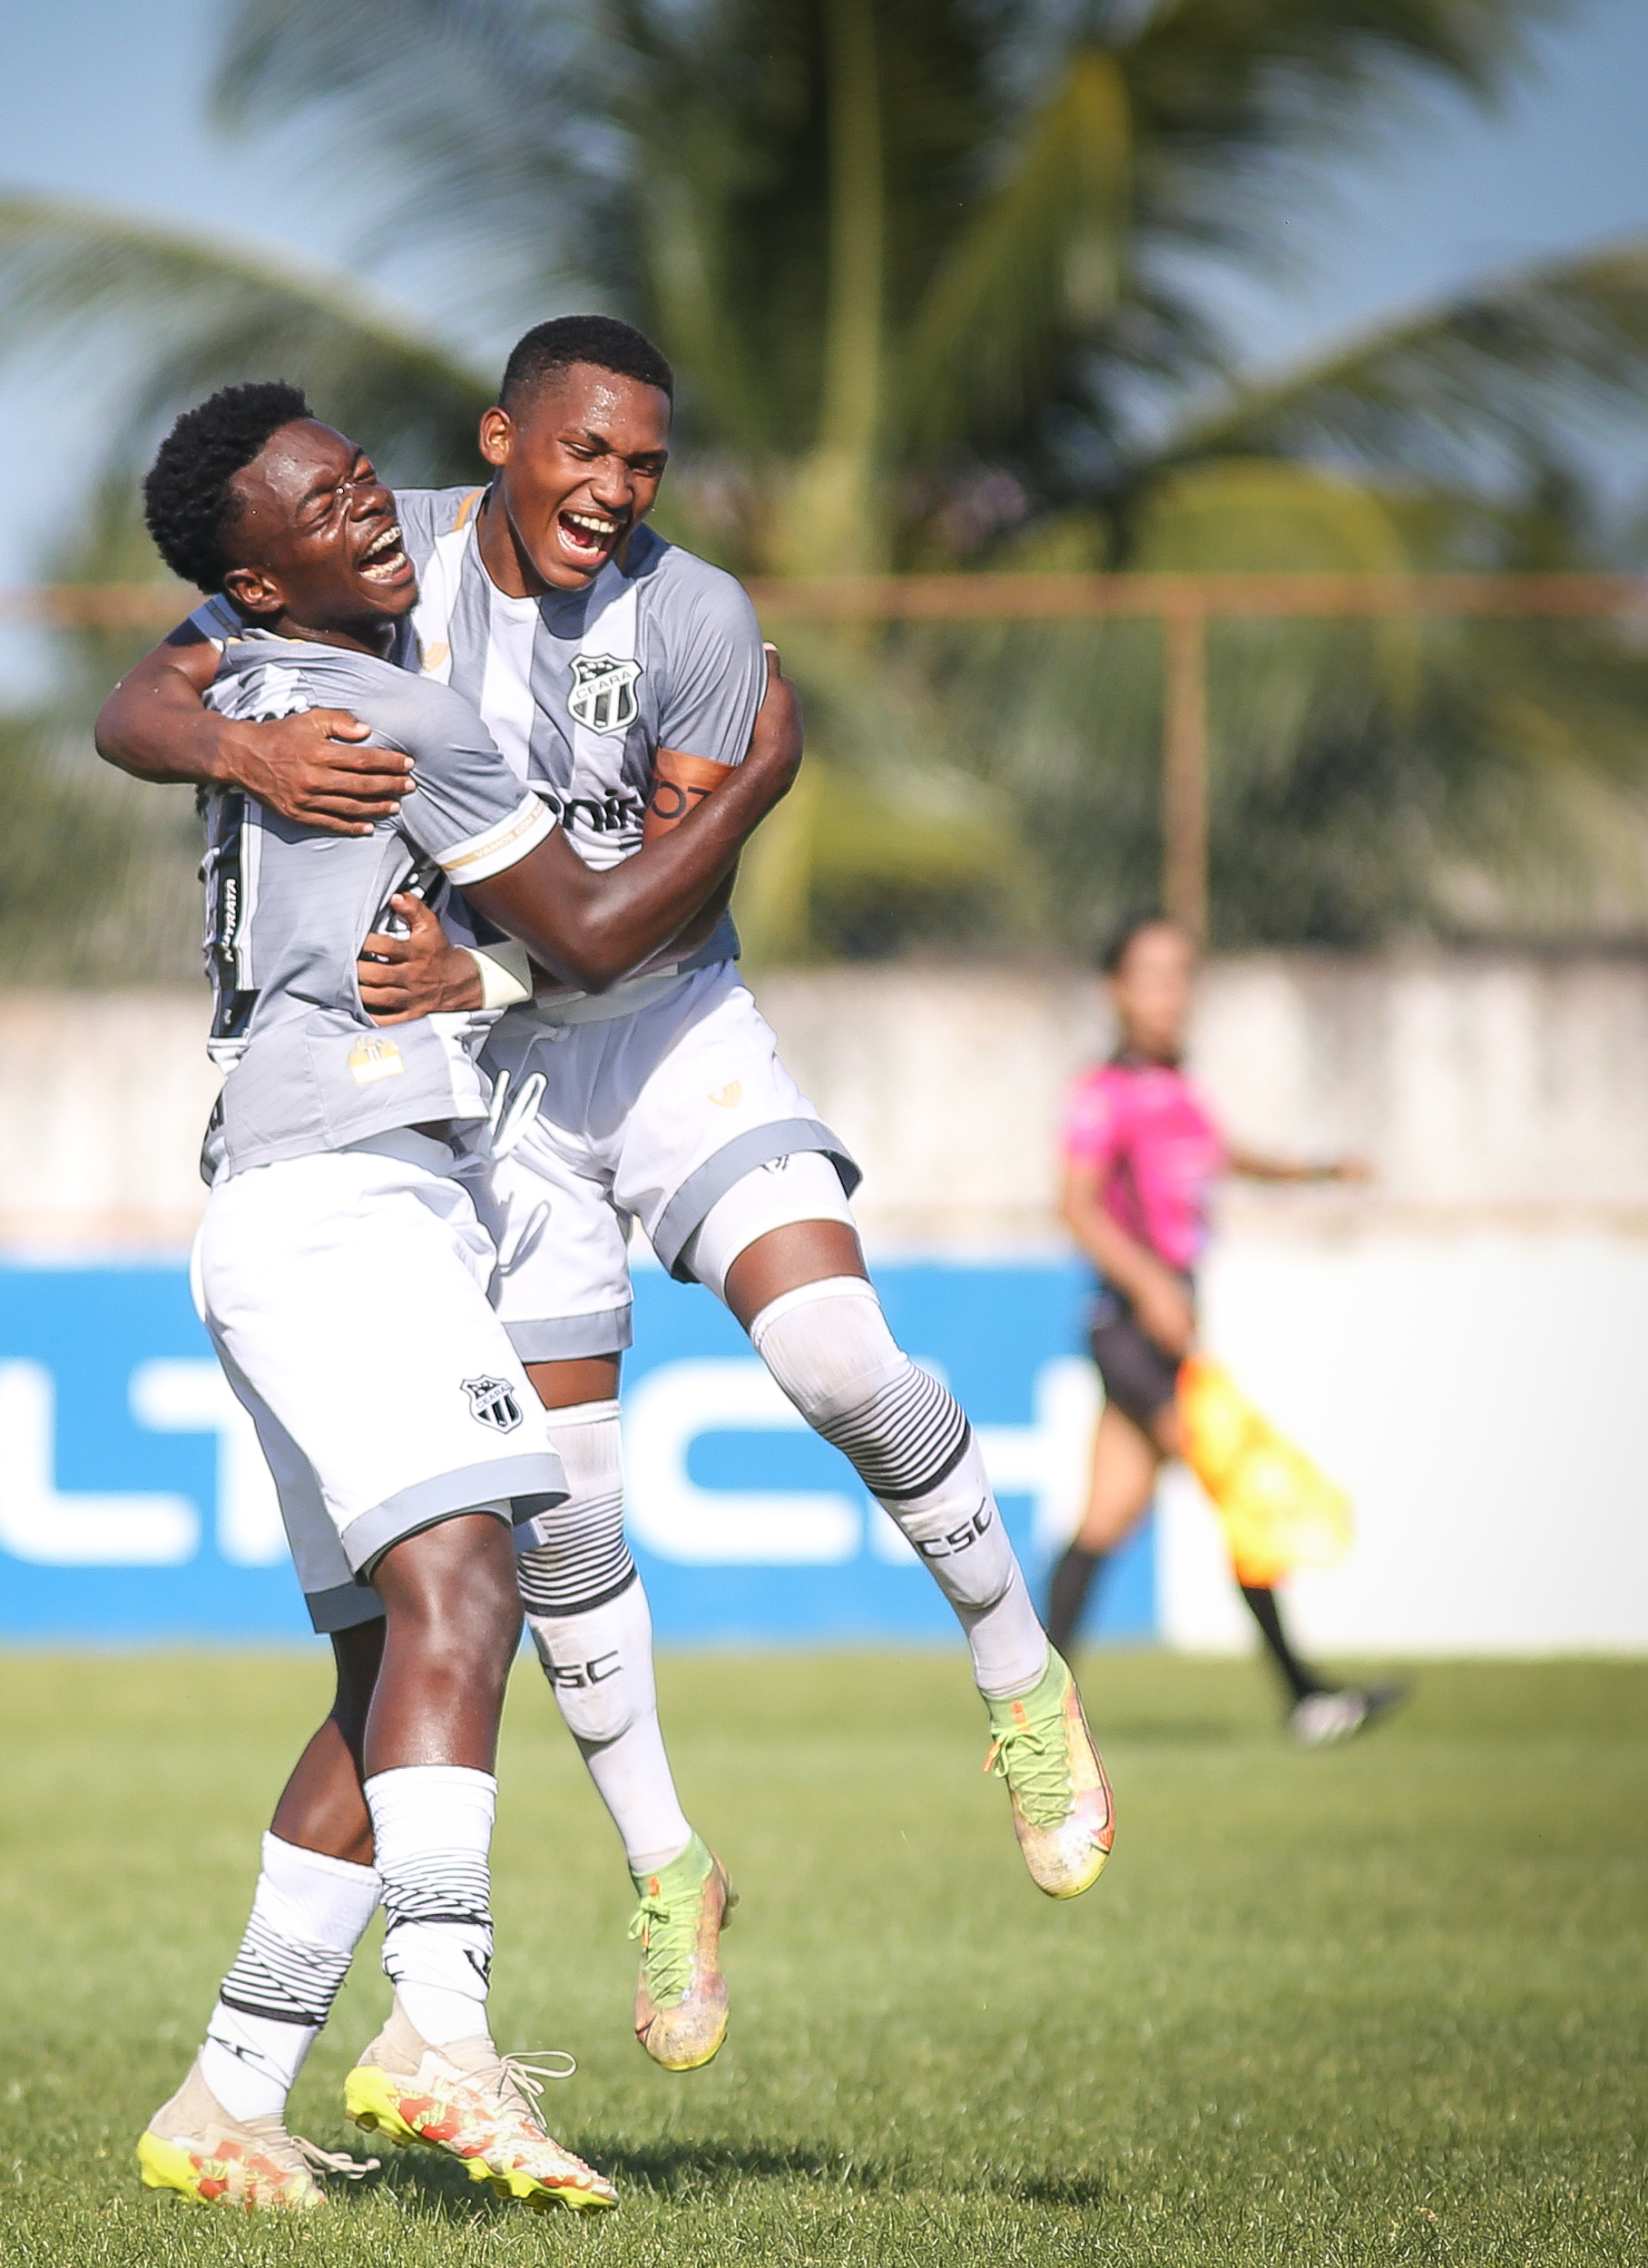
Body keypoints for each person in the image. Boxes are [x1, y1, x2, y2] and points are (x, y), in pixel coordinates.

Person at [97, 317, 1115, 2079]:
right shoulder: (375, 543)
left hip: (665, 1032)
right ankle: (668, 1868)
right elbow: (143, 696)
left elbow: (625, 915)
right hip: (497, 1092)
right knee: (560, 1513)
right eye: (583, 454)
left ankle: (1019, 1671)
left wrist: (746, 790)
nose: (611, 492)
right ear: (502, 439)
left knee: (830, 1357)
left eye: (642, 464)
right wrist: (243, 755)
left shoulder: (698, 621)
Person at [124, 383, 801, 2212]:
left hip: (273, 1199)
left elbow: (141, 702)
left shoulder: (244, 690)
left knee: (384, 1666)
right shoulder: (402, 707)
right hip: (352, 1197)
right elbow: (592, 933)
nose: (371, 513)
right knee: (473, 1581)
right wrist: (749, 775)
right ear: (251, 580)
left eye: (359, 477)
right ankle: (442, 2030)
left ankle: (228, 2088)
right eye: (324, 506)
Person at [1045, 913, 1407, 1745]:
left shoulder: (1177, 1088)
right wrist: (1149, 1286)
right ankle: (1305, 1697)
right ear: (1116, 991)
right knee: (1241, 1491)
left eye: (1181, 976)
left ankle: (1033, 1708)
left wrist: (1320, 1167)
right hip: (1135, 1329)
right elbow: (1073, 1202)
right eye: (1153, 976)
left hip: (1153, 1328)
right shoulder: (1103, 1092)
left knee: (1102, 1522)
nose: (1172, 994)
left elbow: (1226, 1155)